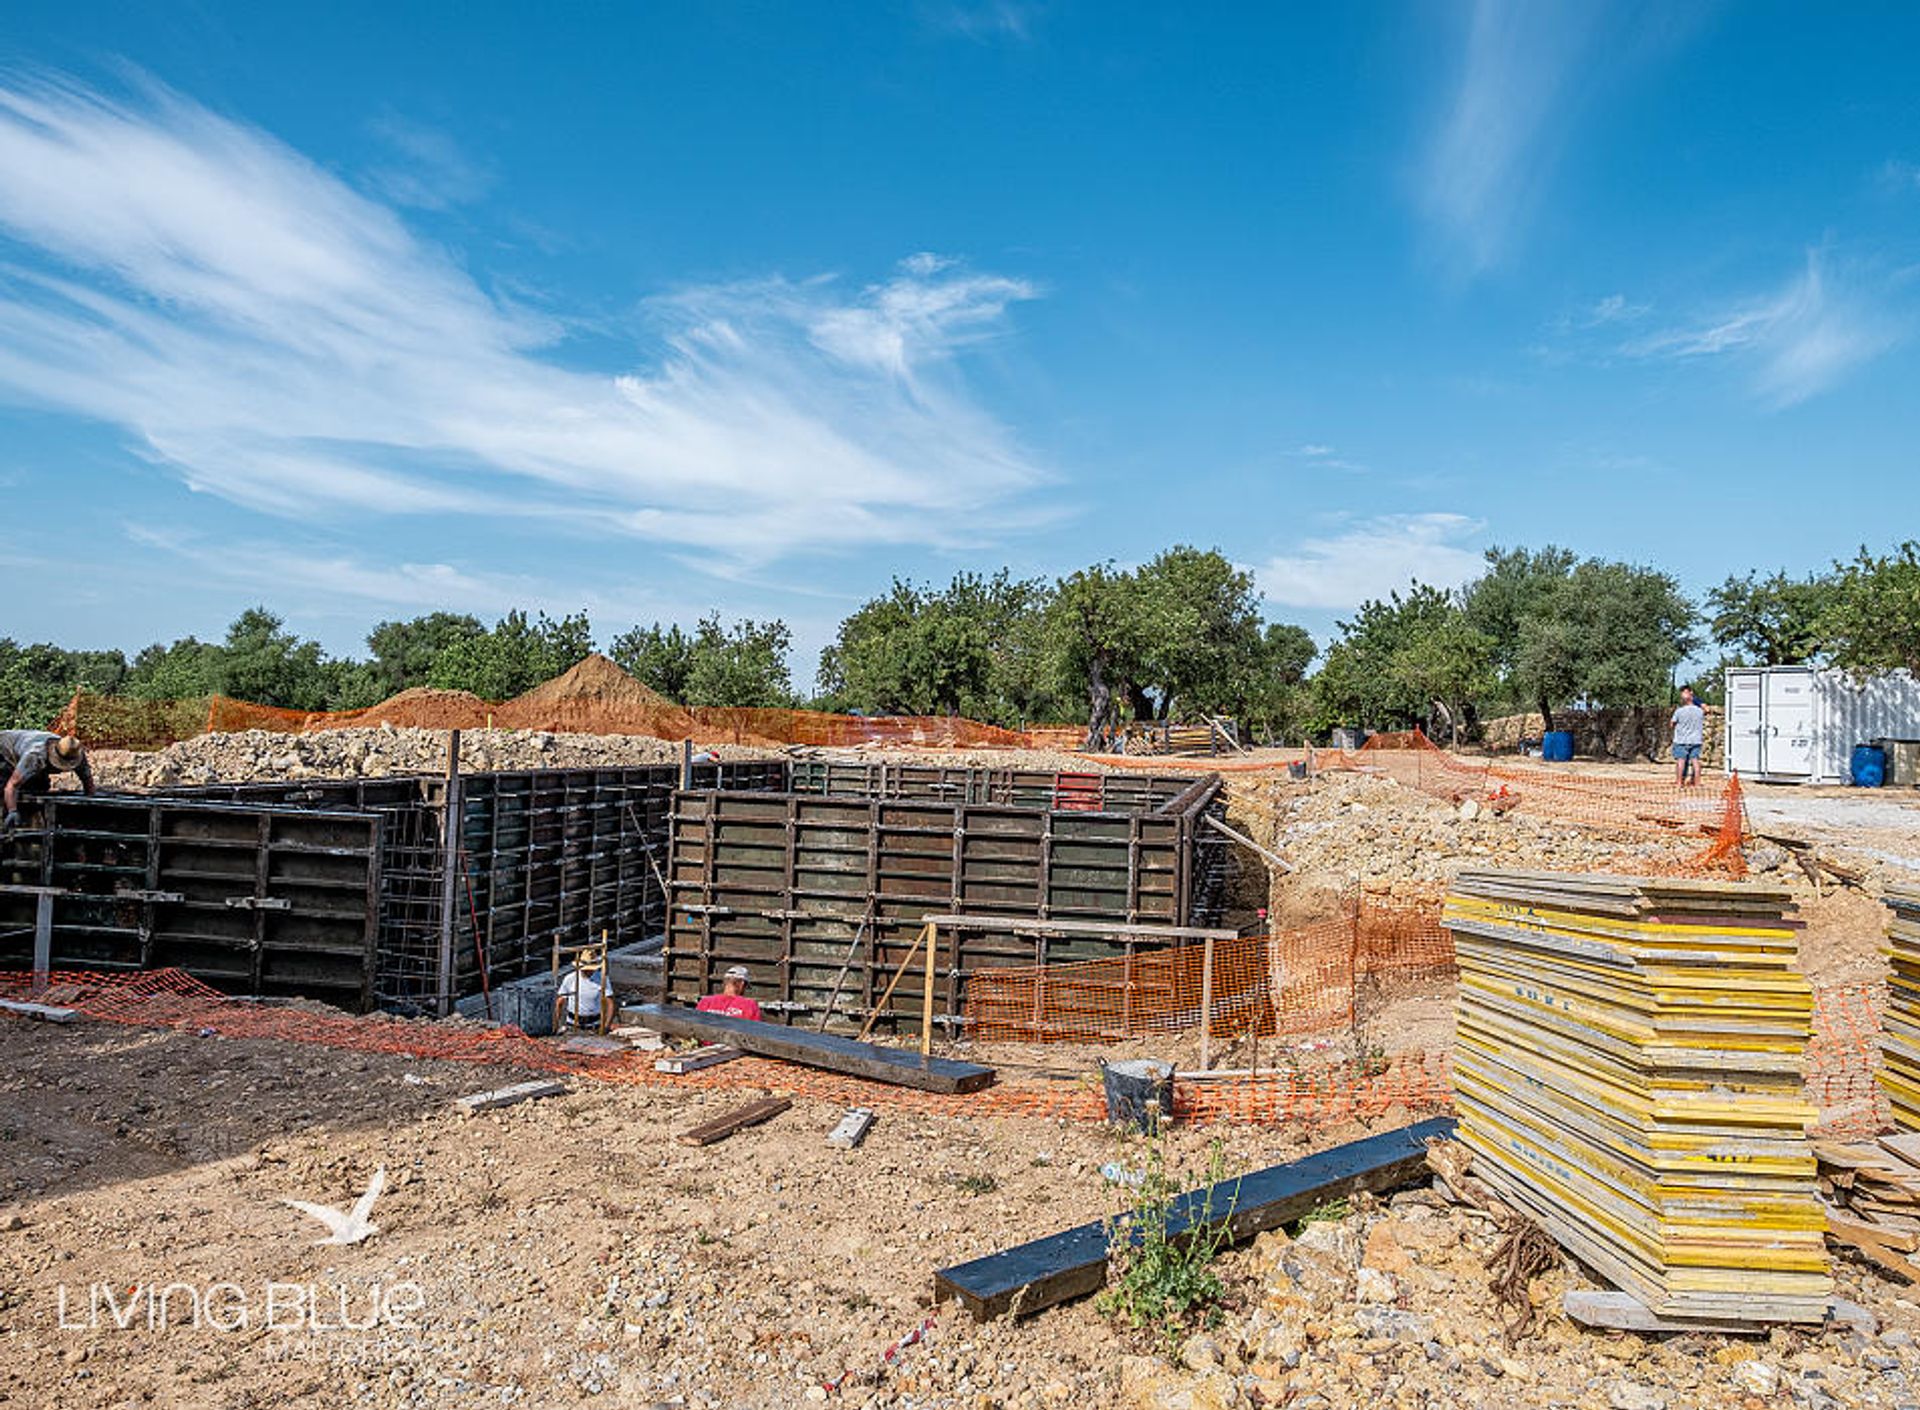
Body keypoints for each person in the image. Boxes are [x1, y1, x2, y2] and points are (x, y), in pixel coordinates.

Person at [2, 730, 96, 831]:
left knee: (40, 788)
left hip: (24, 750)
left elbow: (88, 782)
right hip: (3, 752)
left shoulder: (75, 752)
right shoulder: (35, 756)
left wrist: (91, 807)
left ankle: (33, 825)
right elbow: (12, 786)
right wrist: (12, 810)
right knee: (5, 789)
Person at [696, 964, 763, 1021]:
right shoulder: (750, 1005)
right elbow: (756, 1032)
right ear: (742, 984)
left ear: (725, 982)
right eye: (746, 987)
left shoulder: (705, 1002)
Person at [1670, 686, 1706, 787]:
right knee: (1695, 761)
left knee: (1681, 761)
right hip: (1696, 740)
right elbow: (1707, 709)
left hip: (1681, 740)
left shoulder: (1679, 711)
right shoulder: (1700, 711)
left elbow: (1672, 724)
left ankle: (1679, 783)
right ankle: (1697, 783)